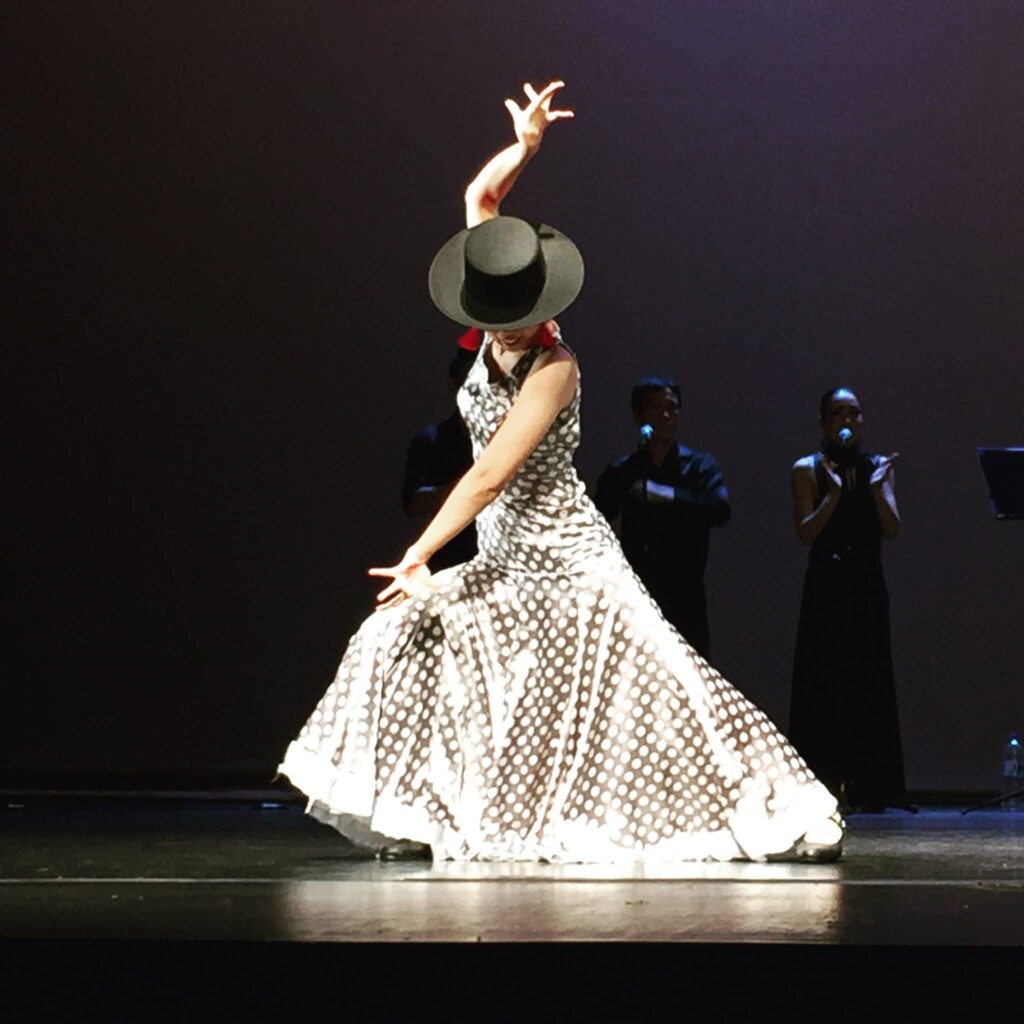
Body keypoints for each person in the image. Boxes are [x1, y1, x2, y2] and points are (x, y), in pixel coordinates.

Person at [278, 80, 843, 863]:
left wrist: (419, 554)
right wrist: (526, 147)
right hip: (508, 559)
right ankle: (426, 813)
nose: (505, 327)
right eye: (495, 317)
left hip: (572, 559)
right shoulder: (493, 282)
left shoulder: (555, 368)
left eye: (516, 317)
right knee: (398, 636)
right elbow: (480, 198)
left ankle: (780, 809)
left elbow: (489, 476)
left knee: (667, 685)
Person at [789, 387, 909, 812]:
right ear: (823, 423)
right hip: (826, 585)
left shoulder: (878, 468)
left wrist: (876, 490)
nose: (847, 421)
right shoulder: (807, 468)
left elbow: (892, 527)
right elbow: (806, 532)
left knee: (868, 678)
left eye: (854, 413)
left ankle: (869, 786)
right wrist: (834, 495)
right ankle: (823, 782)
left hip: (866, 583)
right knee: (823, 681)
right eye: (838, 413)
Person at [595, 377, 730, 660]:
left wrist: (667, 494)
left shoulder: (699, 466)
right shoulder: (623, 470)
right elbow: (599, 519)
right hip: (636, 592)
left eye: (672, 407)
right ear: (639, 416)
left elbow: (720, 509)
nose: (666, 415)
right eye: (656, 409)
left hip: (686, 594)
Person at [400, 338, 478, 571]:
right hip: (449, 558)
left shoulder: (514, 435)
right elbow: (413, 503)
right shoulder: (432, 439)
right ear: (455, 384)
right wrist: (472, 485)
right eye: (469, 382)